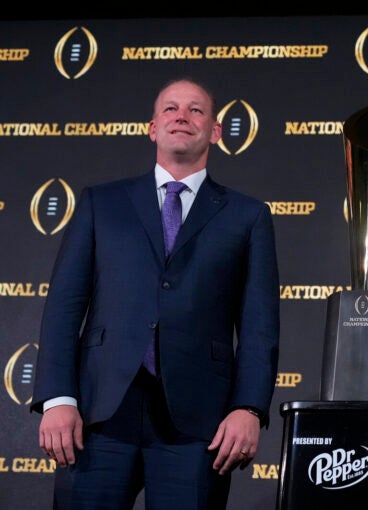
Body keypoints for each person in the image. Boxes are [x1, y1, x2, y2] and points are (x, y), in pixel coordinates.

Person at [30, 77, 280, 509]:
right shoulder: (100, 203)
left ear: (216, 131)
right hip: (97, 415)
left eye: (196, 109)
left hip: (200, 423)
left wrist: (250, 409)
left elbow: (259, 326)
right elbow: (64, 309)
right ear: (152, 128)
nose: (182, 116)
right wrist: (58, 398)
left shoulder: (248, 216)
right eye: (170, 108)